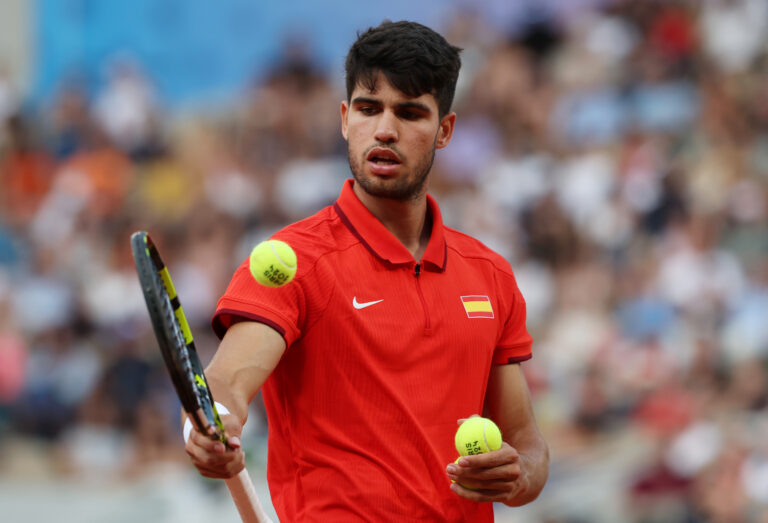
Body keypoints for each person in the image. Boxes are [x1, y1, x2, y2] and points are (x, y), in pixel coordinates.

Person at [184, 20, 549, 522]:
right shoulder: (292, 263)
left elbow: (527, 445)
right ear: (343, 118)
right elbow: (224, 386)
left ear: (445, 130)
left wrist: (519, 473)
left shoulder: (490, 275)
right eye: (368, 108)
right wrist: (211, 427)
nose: (384, 129)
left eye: (410, 112)